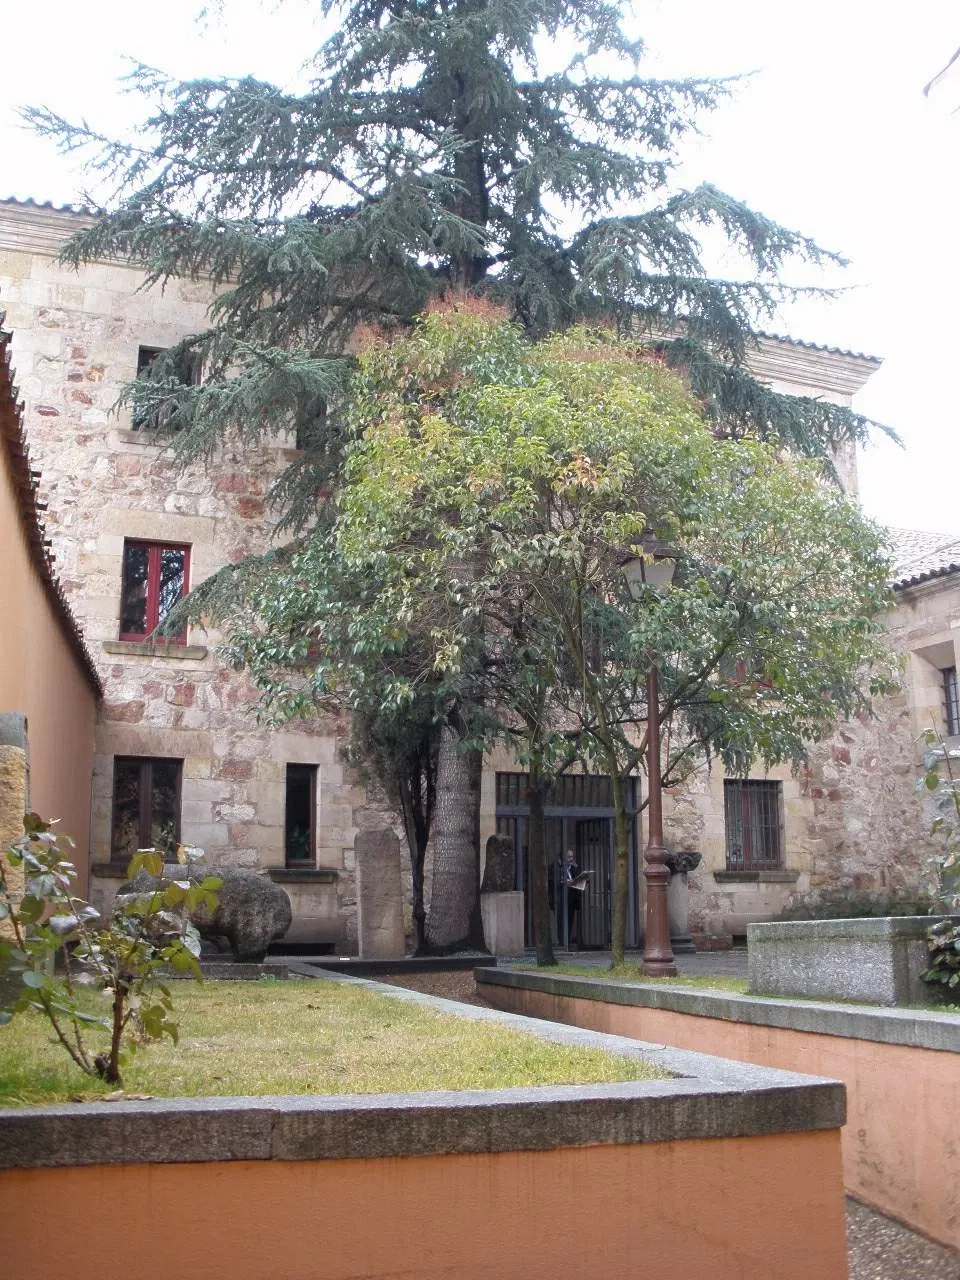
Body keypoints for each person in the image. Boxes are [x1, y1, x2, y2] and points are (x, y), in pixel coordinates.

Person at [562, 847, 583, 948]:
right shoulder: (559, 868)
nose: (571, 859)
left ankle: (568, 940)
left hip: (572, 899)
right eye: (569, 857)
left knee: (570, 920)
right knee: (562, 921)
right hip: (562, 900)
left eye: (572, 857)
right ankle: (562, 942)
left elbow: (577, 879)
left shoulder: (574, 868)